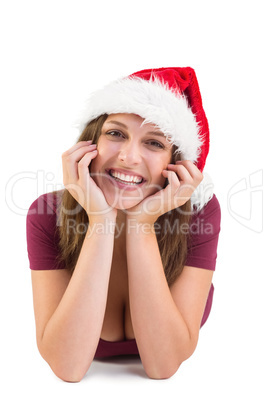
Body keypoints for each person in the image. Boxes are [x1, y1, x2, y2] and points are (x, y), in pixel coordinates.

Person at [26, 67, 221, 382]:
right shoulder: (47, 213)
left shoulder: (199, 213)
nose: (129, 157)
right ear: (90, 144)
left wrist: (141, 225)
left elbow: (162, 366)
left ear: (178, 163)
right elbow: (68, 367)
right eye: (115, 134)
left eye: (155, 143)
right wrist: (101, 219)